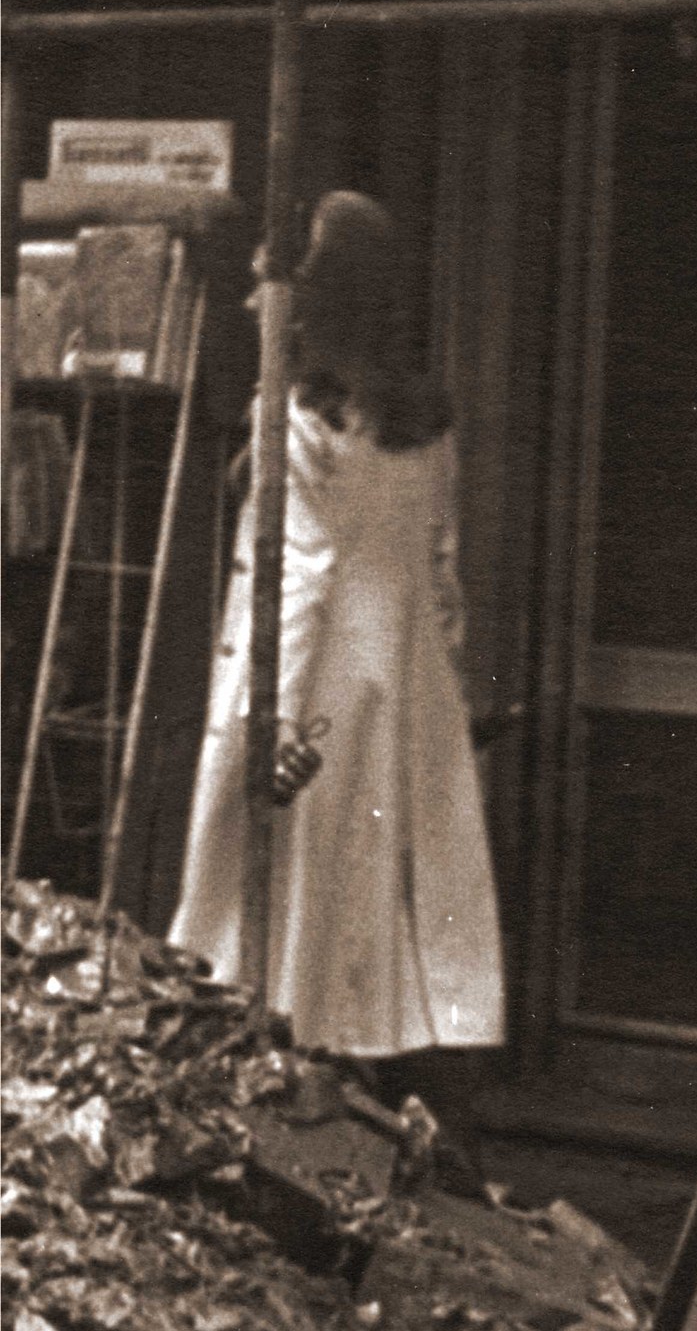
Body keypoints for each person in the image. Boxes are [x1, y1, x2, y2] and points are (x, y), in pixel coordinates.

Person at [171, 193, 504, 1121]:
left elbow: (296, 575)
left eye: (268, 291)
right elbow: (440, 565)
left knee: (288, 883)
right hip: (400, 675)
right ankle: (365, 1067)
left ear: (313, 302)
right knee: (383, 873)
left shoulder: (298, 420)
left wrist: (264, 712)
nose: (250, 308)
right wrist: (445, 676)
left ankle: (286, 1074)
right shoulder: (425, 420)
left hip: (313, 672)